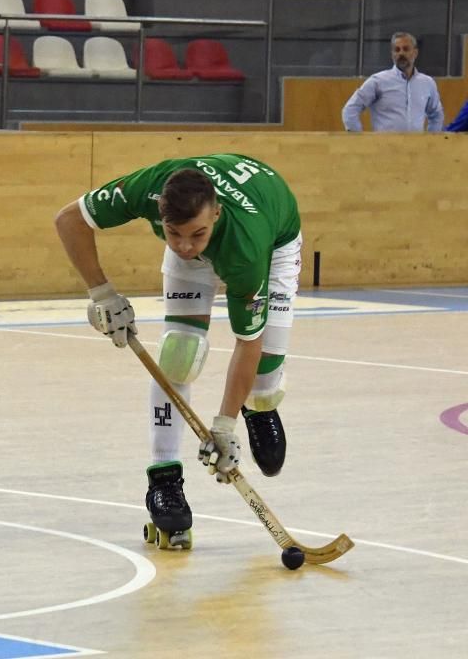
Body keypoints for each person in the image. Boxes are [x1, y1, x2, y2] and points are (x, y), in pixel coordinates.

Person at [55, 154, 302, 548]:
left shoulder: (246, 250)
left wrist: (224, 425)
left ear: (217, 214)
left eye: (197, 235)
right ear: (159, 213)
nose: (185, 246)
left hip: (274, 242)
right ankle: (164, 480)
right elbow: (68, 220)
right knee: (179, 354)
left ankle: (261, 405)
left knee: (265, 374)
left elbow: (247, 342)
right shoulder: (146, 189)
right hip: (228, 234)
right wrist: (101, 293)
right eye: (173, 234)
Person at [342, 31, 444, 132]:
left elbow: (436, 114)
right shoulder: (378, 81)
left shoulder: (427, 83)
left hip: (416, 147)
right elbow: (350, 109)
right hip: (384, 147)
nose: (401, 53)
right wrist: (358, 139)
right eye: (397, 50)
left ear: (415, 53)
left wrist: (431, 141)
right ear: (392, 54)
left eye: (406, 49)